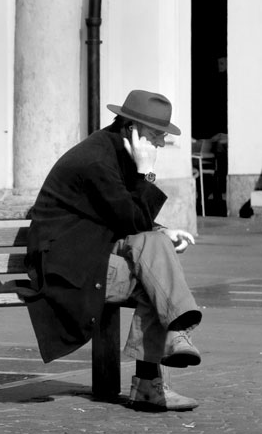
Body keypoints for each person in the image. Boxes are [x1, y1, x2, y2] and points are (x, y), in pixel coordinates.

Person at [23, 89, 203, 411]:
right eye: (156, 135)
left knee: (155, 250)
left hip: (94, 249)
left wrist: (162, 230)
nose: (161, 143)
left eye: (162, 136)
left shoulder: (113, 151)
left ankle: (168, 351)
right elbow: (130, 219)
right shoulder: (96, 161)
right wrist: (146, 172)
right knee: (153, 278)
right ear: (131, 128)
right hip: (68, 265)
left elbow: (127, 218)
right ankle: (157, 368)